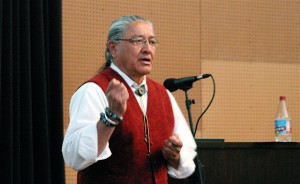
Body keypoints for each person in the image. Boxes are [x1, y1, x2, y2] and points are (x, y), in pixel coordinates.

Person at [62, 15, 197, 184]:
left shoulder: (164, 95)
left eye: (152, 42)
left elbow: (187, 162)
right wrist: (110, 117)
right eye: (137, 41)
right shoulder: (94, 90)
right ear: (113, 48)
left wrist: (175, 156)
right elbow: (74, 157)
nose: (147, 49)